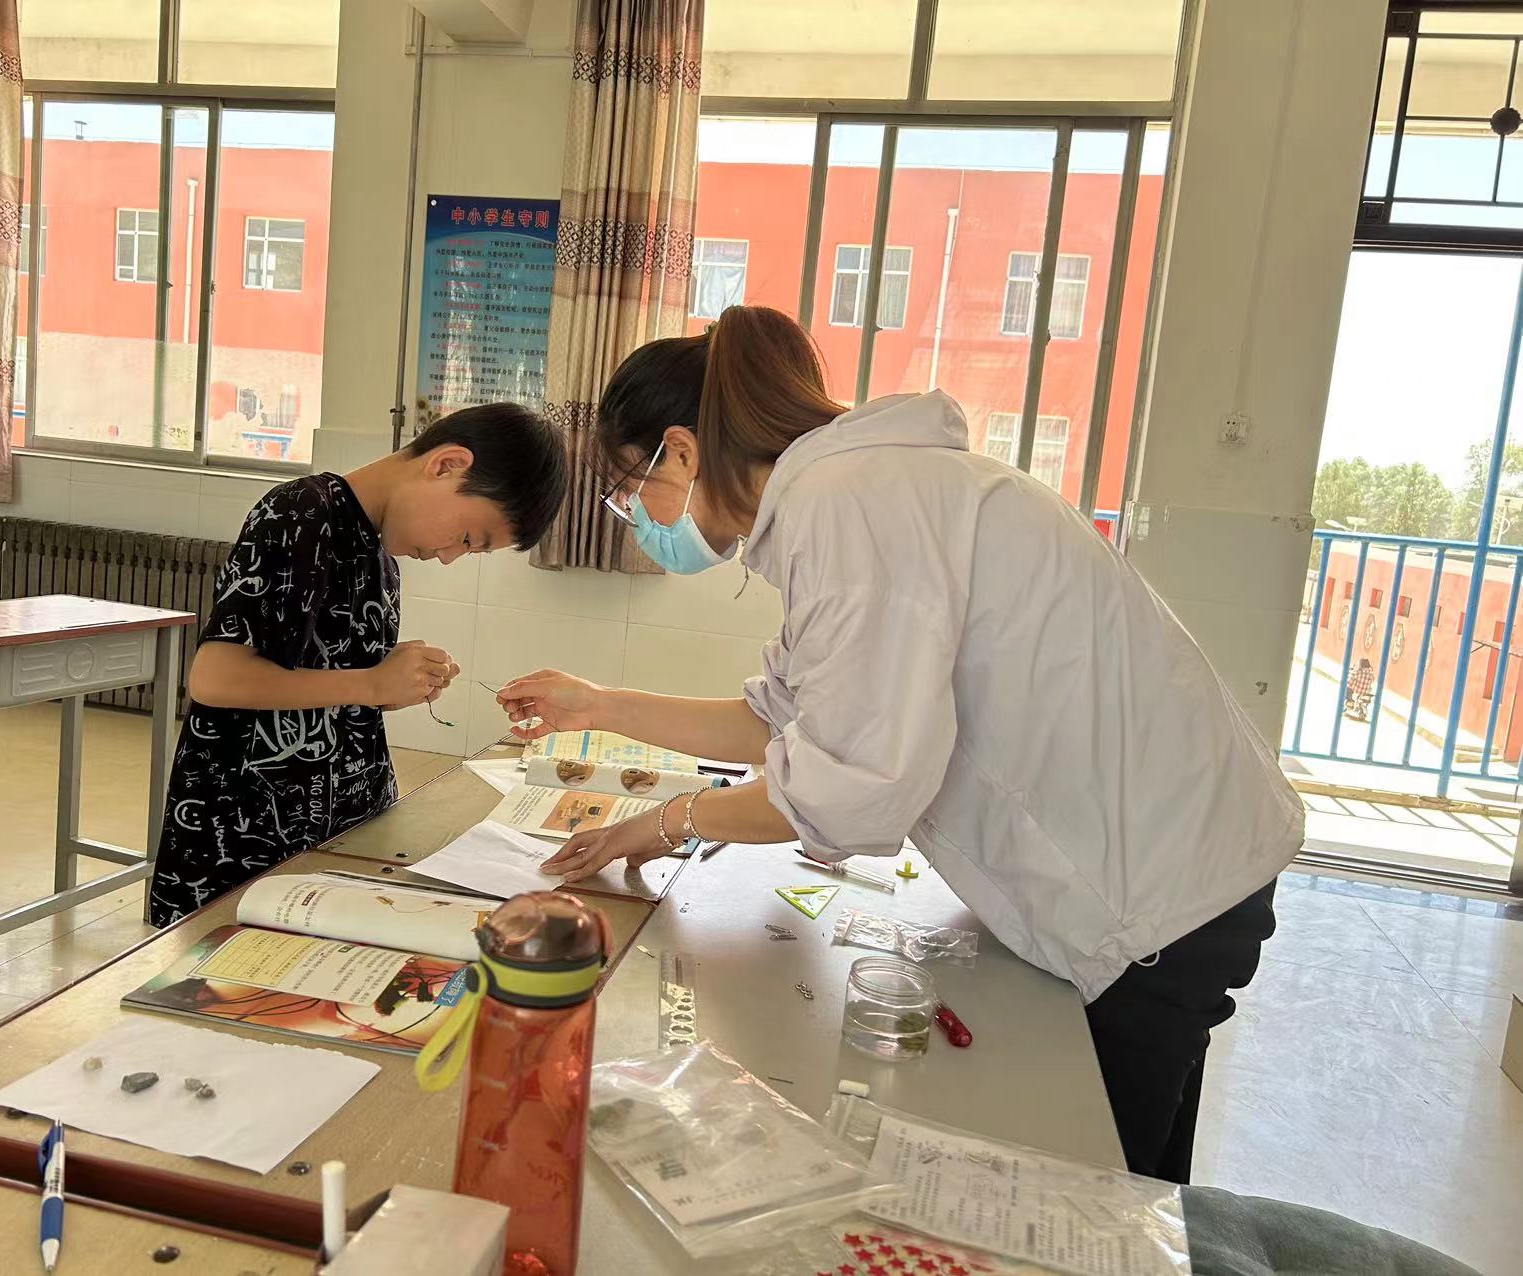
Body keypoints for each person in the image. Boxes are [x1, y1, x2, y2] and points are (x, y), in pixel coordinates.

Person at [496, 306, 1303, 1184]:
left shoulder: (851, 506)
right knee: (1132, 1192)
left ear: (682, 454)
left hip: (1159, 895)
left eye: (629, 491)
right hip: (1173, 864)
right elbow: (780, 721)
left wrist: (663, 823)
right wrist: (599, 705)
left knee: (1092, 1206)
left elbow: (845, 787)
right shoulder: (859, 492)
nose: (633, 519)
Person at [148, 402, 566, 928]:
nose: (449, 557)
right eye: (467, 538)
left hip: (340, 823)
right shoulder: (302, 513)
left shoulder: (381, 555)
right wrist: (370, 683)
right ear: (446, 465)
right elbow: (215, 679)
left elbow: (324, 682)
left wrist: (392, 684)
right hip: (249, 832)